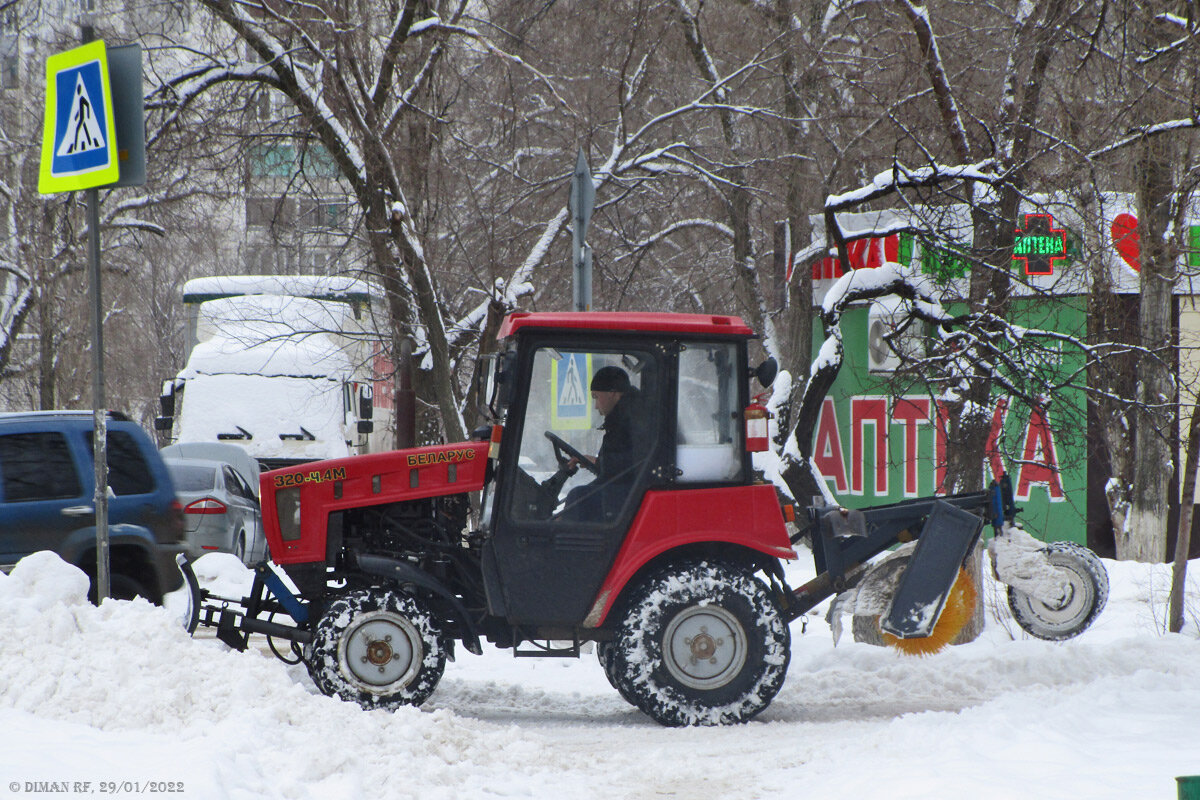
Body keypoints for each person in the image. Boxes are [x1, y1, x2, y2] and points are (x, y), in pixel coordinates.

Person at [563, 366, 644, 520]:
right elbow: (623, 461)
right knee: (578, 497)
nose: (595, 406)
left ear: (612, 393)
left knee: (577, 497)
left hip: (633, 493)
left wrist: (601, 463)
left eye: (596, 397)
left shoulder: (632, 418)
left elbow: (633, 463)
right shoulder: (624, 415)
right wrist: (598, 462)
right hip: (630, 489)